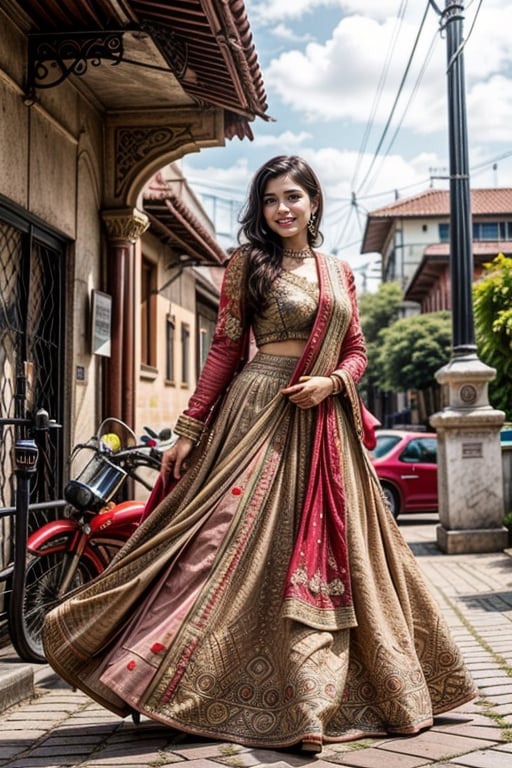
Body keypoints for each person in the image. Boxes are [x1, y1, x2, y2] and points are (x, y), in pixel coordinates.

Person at [43, 155, 476, 753]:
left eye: (293, 197)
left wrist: (333, 383)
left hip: (324, 420)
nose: (282, 208)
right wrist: (190, 429)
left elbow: (356, 351)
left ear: (314, 203)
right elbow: (224, 350)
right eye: (271, 199)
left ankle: (323, 700)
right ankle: (168, 674)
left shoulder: (338, 272)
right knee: (223, 543)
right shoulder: (247, 263)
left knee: (342, 554)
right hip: (259, 411)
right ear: (261, 208)